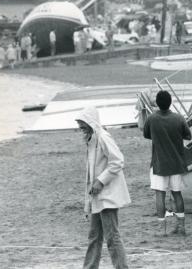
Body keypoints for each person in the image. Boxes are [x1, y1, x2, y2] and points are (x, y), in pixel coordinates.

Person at [76, 106, 130, 269]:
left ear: (91, 122)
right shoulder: (91, 139)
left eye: (83, 124)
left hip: (109, 195)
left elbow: (118, 161)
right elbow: (92, 171)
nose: (81, 128)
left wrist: (100, 181)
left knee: (112, 236)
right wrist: (90, 194)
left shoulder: (103, 137)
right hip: (97, 196)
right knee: (94, 236)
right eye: (80, 125)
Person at [143, 91, 192, 236]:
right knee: (177, 194)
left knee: (160, 195)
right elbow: (188, 135)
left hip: (159, 164)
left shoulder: (152, 119)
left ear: (157, 103)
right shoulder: (178, 118)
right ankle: (181, 227)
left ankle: (162, 229)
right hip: (177, 163)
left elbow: (146, 134)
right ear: (170, 102)